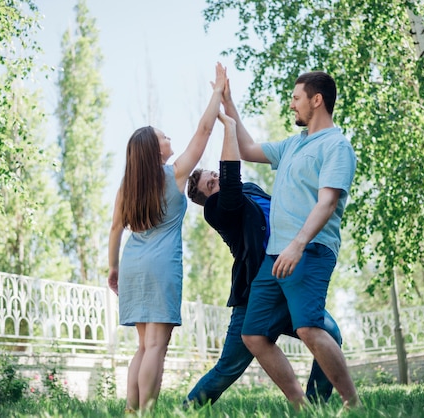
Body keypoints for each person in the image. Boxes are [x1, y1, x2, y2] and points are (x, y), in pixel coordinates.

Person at [185, 109, 344, 406]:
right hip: (255, 293)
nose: (216, 179)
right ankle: (186, 410)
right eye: (211, 183)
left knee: (330, 335)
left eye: (214, 175)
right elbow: (231, 181)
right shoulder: (217, 209)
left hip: (286, 276)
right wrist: (229, 129)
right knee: (228, 368)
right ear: (207, 197)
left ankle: (316, 407)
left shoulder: (250, 191)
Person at [222, 71, 361, 409]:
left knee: (309, 329)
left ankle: (353, 404)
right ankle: (302, 406)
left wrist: (298, 244)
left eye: (296, 97)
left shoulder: (336, 146)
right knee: (253, 333)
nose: (291, 104)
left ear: (317, 100)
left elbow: (327, 202)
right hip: (275, 256)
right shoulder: (292, 144)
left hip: (309, 251)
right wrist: (227, 103)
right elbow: (247, 148)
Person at [107, 63, 227, 412]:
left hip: (132, 263)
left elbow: (115, 229)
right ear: (155, 150)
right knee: (157, 346)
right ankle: (147, 412)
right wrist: (217, 92)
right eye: (164, 136)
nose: (170, 139)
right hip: (161, 266)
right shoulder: (174, 175)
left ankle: (132, 411)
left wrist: (113, 269)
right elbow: (204, 131)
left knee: (144, 346)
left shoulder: (127, 187)